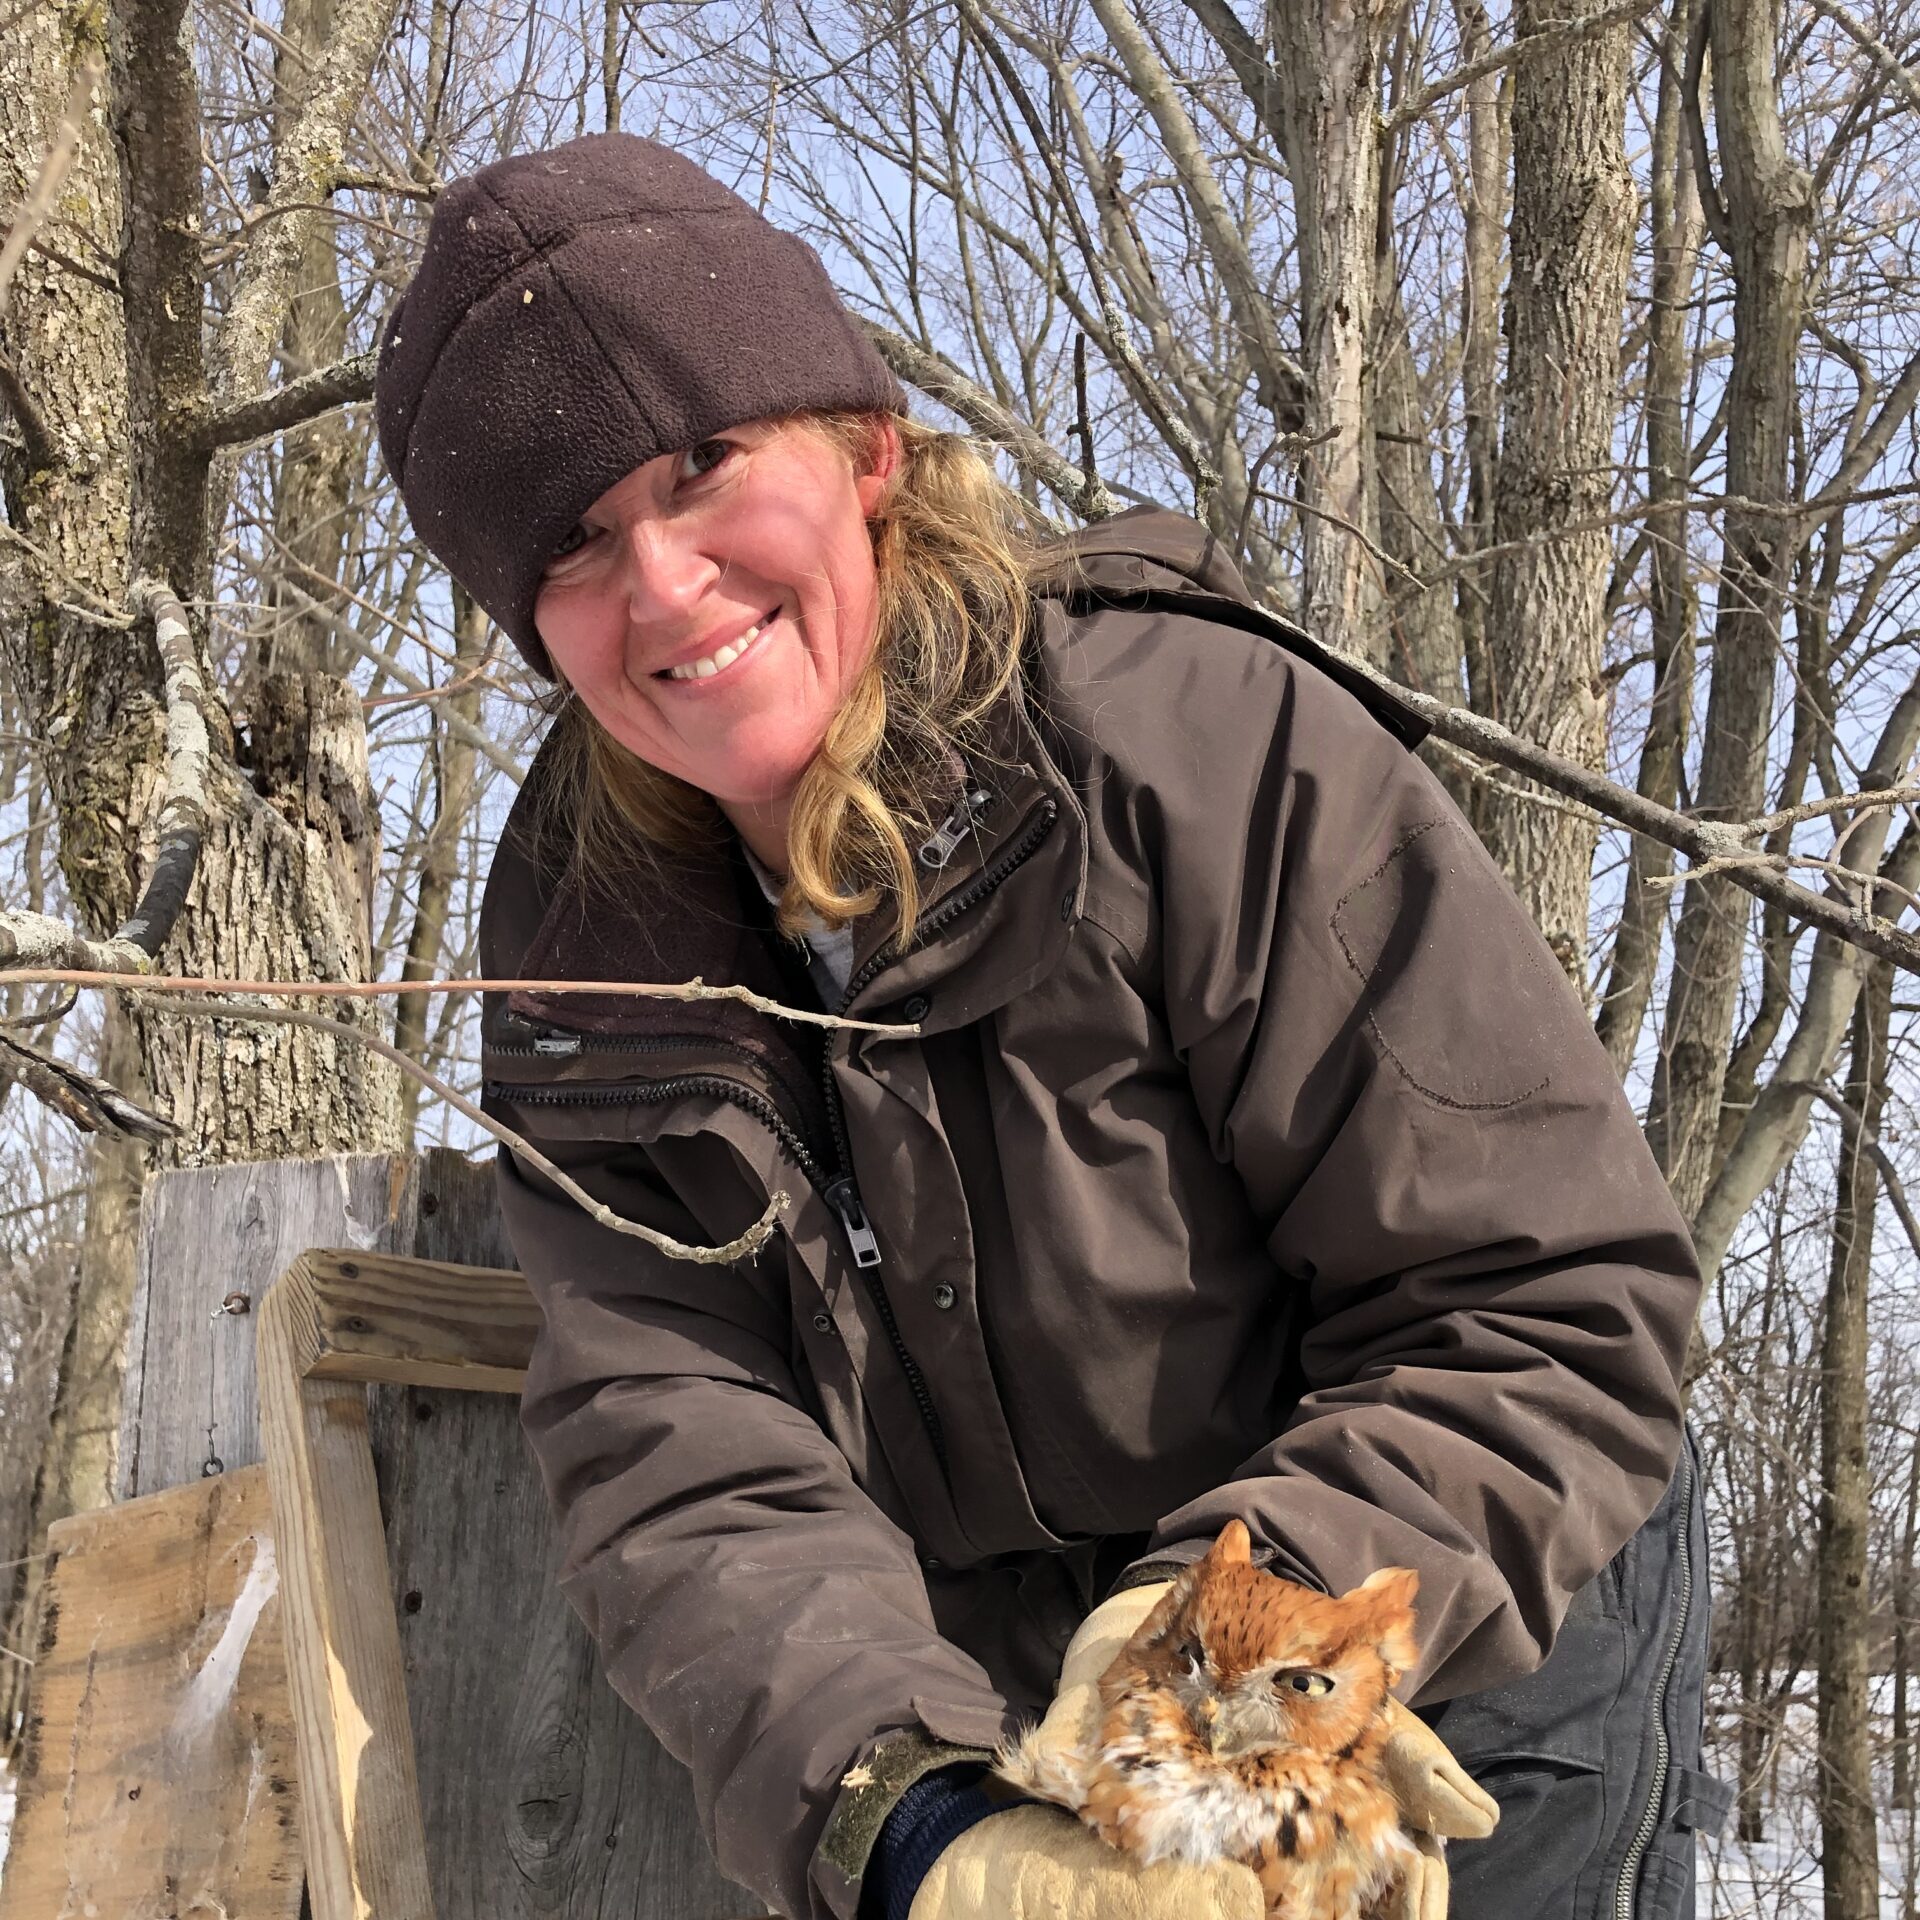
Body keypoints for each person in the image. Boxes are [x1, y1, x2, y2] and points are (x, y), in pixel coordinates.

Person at [373, 131, 1724, 1920]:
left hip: (1446, 1608)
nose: (669, 587)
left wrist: (1221, 1674)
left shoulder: (1189, 746)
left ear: (867, 453)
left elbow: (1545, 1307)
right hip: (1020, 1719)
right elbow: (684, 1448)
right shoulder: (582, 949)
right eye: (573, 542)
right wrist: (916, 1818)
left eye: (706, 467)